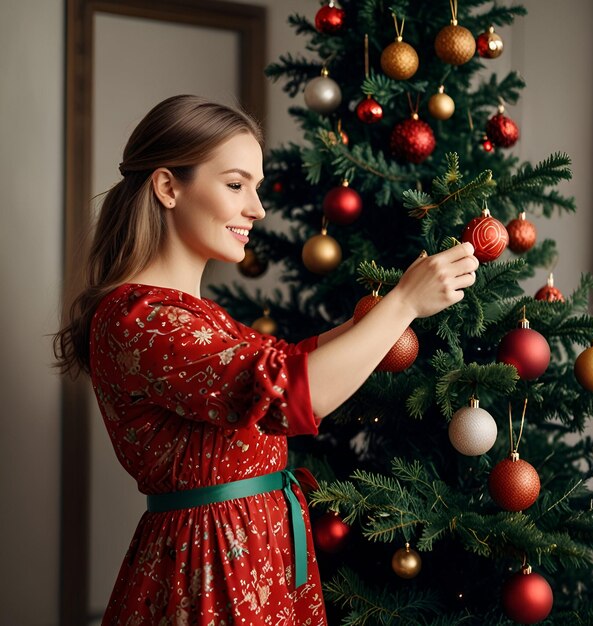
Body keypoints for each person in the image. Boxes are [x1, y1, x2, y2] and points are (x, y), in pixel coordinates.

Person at [54, 94, 478, 625]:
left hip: (259, 551)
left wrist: (390, 308)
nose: (257, 208)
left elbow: (286, 362)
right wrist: (403, 304)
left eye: (255, 187)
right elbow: (297, 390)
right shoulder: (139, 318)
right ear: (167, 187)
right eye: (236, 185)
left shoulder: (197, 314)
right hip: (209, 567)